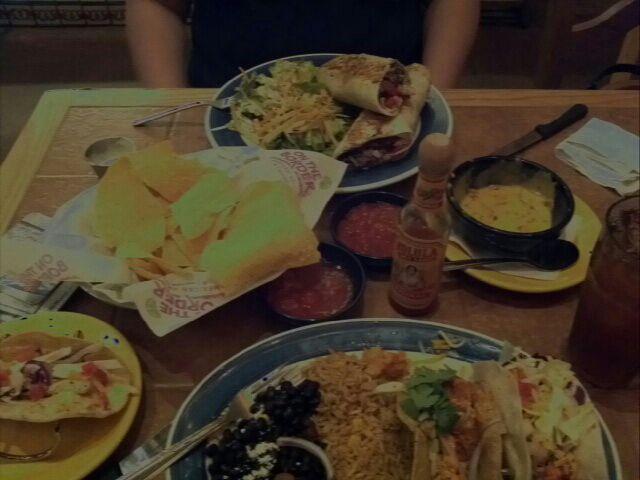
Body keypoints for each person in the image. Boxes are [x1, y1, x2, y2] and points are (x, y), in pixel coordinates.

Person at [126, 0, 480, 89]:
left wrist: (432, 98)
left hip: (388, 102)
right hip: (225, 107)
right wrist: (171, 107)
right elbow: (158, 4)